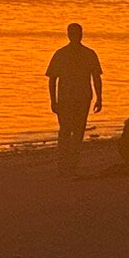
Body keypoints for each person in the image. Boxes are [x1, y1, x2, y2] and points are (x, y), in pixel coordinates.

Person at [45, 22, 103, 175]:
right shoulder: (63, 54)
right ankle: (67, 165)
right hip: (69, 98)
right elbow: (52, 79)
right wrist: (53, 100)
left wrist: (99, 98)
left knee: (71, 131)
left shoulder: (84, 54)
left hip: (78, 98)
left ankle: (68, 165)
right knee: (71, 131)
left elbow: (96, 77)